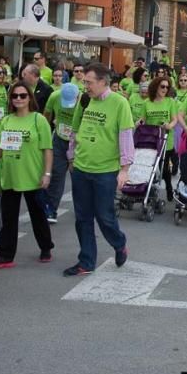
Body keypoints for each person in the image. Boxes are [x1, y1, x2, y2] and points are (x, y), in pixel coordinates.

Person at [65, 63, 133, 276]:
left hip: (106, 171)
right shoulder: (84, 100)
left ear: (104, 82)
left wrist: (124, 169)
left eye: (89, 82)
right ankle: (86, 261)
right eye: (84, 82)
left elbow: (125, 136)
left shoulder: (119, 103)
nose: (85, 86)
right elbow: (75, 130)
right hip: (82, 168)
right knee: (82, 217)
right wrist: (71, 157)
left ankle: (119, 243)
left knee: (105, 216)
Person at [0, 81, 54, 268]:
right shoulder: (7, 120)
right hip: (10, 176)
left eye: (23, 95)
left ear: (29, 98)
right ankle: (5, 255)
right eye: (15, 96)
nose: (18, 99)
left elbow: (47, 150)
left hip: (32, 177)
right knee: (9, 218)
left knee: (38, 216)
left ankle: (45, 247)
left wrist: (47, 173)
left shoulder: (39, 120)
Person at [43, 83, 79, 225]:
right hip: (59, 139)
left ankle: (83, 209)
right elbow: (46, 114)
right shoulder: (55, 96)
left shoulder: (85, 102)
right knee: (57, 175)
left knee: (78, 177)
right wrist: (46, 131)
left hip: (77, 142)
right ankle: (51, 209)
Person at [143, 76, 179, 202]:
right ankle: (147, 188)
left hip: (165, 138)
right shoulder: (147, 102)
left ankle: (169, 187)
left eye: (167, 87)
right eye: (162, 86)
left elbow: (175, 119)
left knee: (163, 166)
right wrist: (139, 122)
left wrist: (169, 125)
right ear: (156, 86)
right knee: (150, 165)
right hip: (151, 138)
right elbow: (143, 119)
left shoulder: (170, 102)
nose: (165, 89)